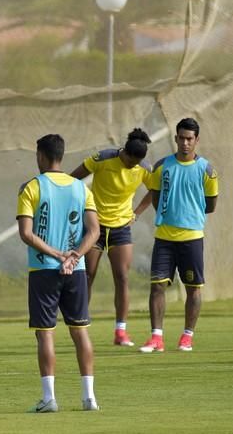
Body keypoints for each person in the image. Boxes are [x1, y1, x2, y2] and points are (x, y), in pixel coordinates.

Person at [17, 134, 101, 413]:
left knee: (46, 334)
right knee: (80, 332)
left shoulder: (32, 187)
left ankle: (49, 398)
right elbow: (94, 231)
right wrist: (75, 256)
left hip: (44, 270)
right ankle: (89, 398)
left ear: (41, 155)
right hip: (75, 271)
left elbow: (26, 233)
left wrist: (56, 255)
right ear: (61, 156)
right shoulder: (81, 188)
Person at [139, 118, 218, 353]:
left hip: (192, 238)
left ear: (197, 141)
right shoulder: (162, 166)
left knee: (193, 288)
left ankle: (187, 336)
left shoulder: (207, 170)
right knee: (157, 287)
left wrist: (188, 215)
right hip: (164, 238)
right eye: (181, 138)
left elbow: (211, 205)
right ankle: (156, 338)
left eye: (189, 139)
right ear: (175, 138)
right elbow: (155, 197)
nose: (185, 143)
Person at [71, 128, 153, 347]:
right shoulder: (103, 158)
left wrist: (136, 213)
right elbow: (73, 179)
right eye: (129, 161)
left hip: (121, 228)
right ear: (124, 152)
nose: (131, 166)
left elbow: (156, 189)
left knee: (123, 277)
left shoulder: (144, 168)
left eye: (136, 163)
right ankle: (81, 326)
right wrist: (81, 207)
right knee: (87, 275)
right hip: (94, 227)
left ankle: (120, 332)